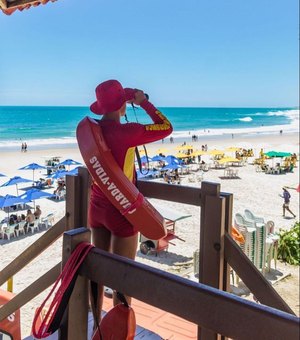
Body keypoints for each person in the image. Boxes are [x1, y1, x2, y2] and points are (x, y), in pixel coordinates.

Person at [87, 79, 173, 319]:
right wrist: (145, 103)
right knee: (122, 278)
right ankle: (119, 329)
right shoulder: (128, 132)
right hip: (122, 210)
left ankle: (95, 324)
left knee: (98, 271)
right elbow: (166, 127)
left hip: (96, 208)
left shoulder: (93, 131)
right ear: (122, 105)